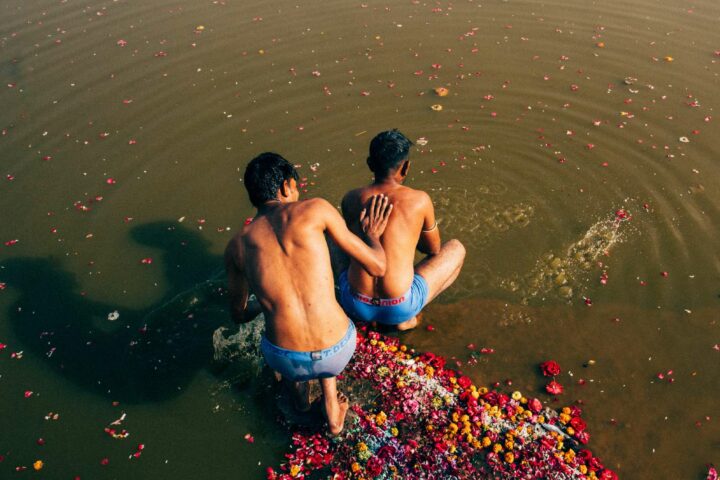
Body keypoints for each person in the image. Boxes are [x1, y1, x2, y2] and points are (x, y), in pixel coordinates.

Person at [225, 152, 393, 435]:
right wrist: (372, 236)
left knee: (282, 319)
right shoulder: (316, 210)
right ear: (285, 187)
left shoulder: (237, 245)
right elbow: (378, 266)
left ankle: (300, 400)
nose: (298, 192)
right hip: (338, 350)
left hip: (285, 360)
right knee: (332, 263)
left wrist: (267, 304)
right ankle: (331, 406)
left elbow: (239, 314)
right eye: (295, 186)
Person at [338, 129, 465, 330]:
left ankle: (371, 314)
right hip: (399, 306)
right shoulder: (419, 200)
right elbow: (433, 249)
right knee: (457, 248)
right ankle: (407, 318)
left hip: (355, 303)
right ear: (406, 167)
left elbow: (352, 248)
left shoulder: (350, 199)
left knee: (337, 238)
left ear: (370, 164)